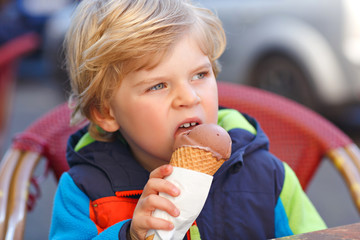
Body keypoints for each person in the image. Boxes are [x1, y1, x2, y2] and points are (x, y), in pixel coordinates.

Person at [49, 0, 327, 239]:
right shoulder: (84, 192)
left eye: (200, 75)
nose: (189, 97)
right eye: (157, 85)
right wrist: (129, 234)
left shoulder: (268, 175)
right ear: (106, 113)